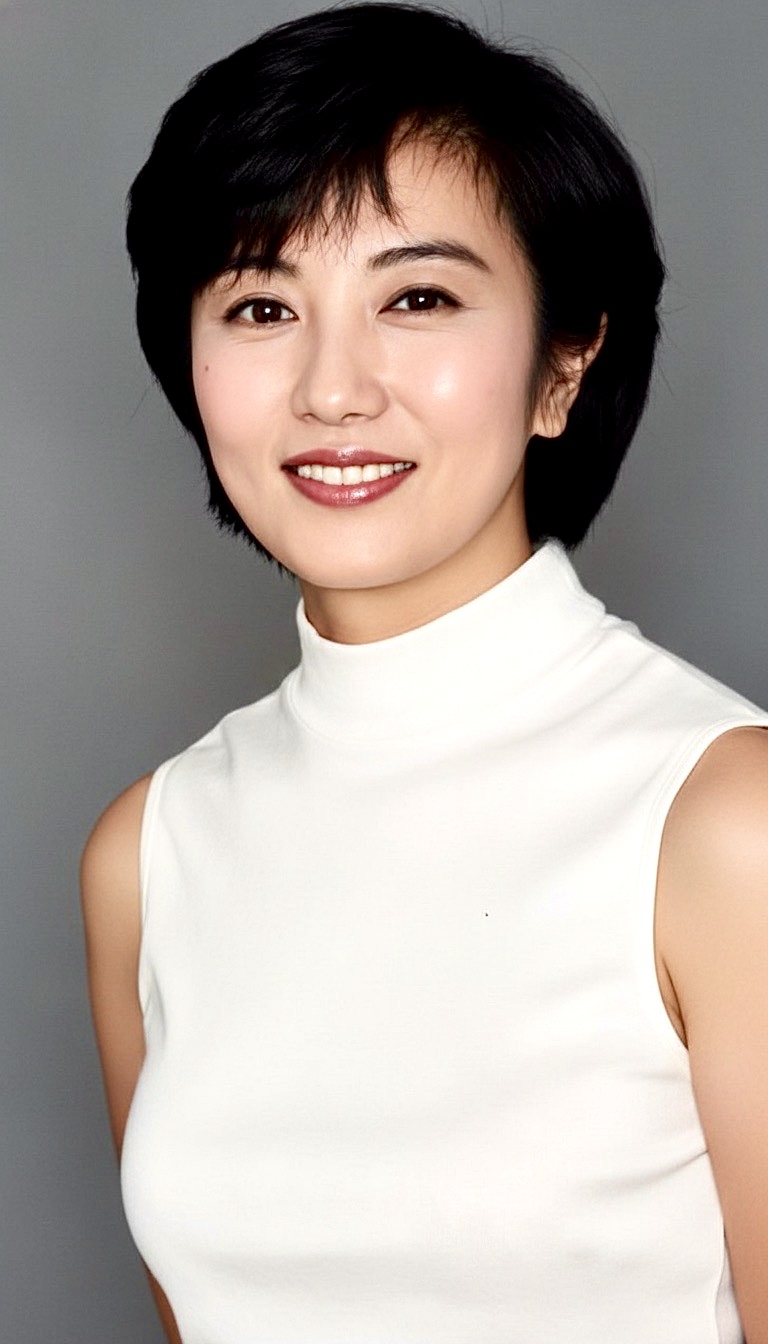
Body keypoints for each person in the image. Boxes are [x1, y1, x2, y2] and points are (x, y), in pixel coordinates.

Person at [80, 5, 768, 1342]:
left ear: (565, 362)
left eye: (418, 298)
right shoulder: (148, 852)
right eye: (262, 306)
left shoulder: (722, 823)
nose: (333, 389)